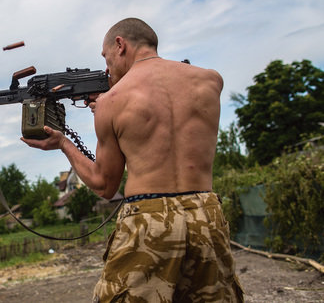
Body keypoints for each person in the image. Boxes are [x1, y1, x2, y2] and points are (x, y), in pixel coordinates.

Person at [21, 18, 244, 302]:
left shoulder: (111, 102)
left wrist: (63, 144)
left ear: (120, 45)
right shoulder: (211, 81)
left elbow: (104, 185)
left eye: (106, 57)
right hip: (206, 212)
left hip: (149, 217)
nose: (106, 67)